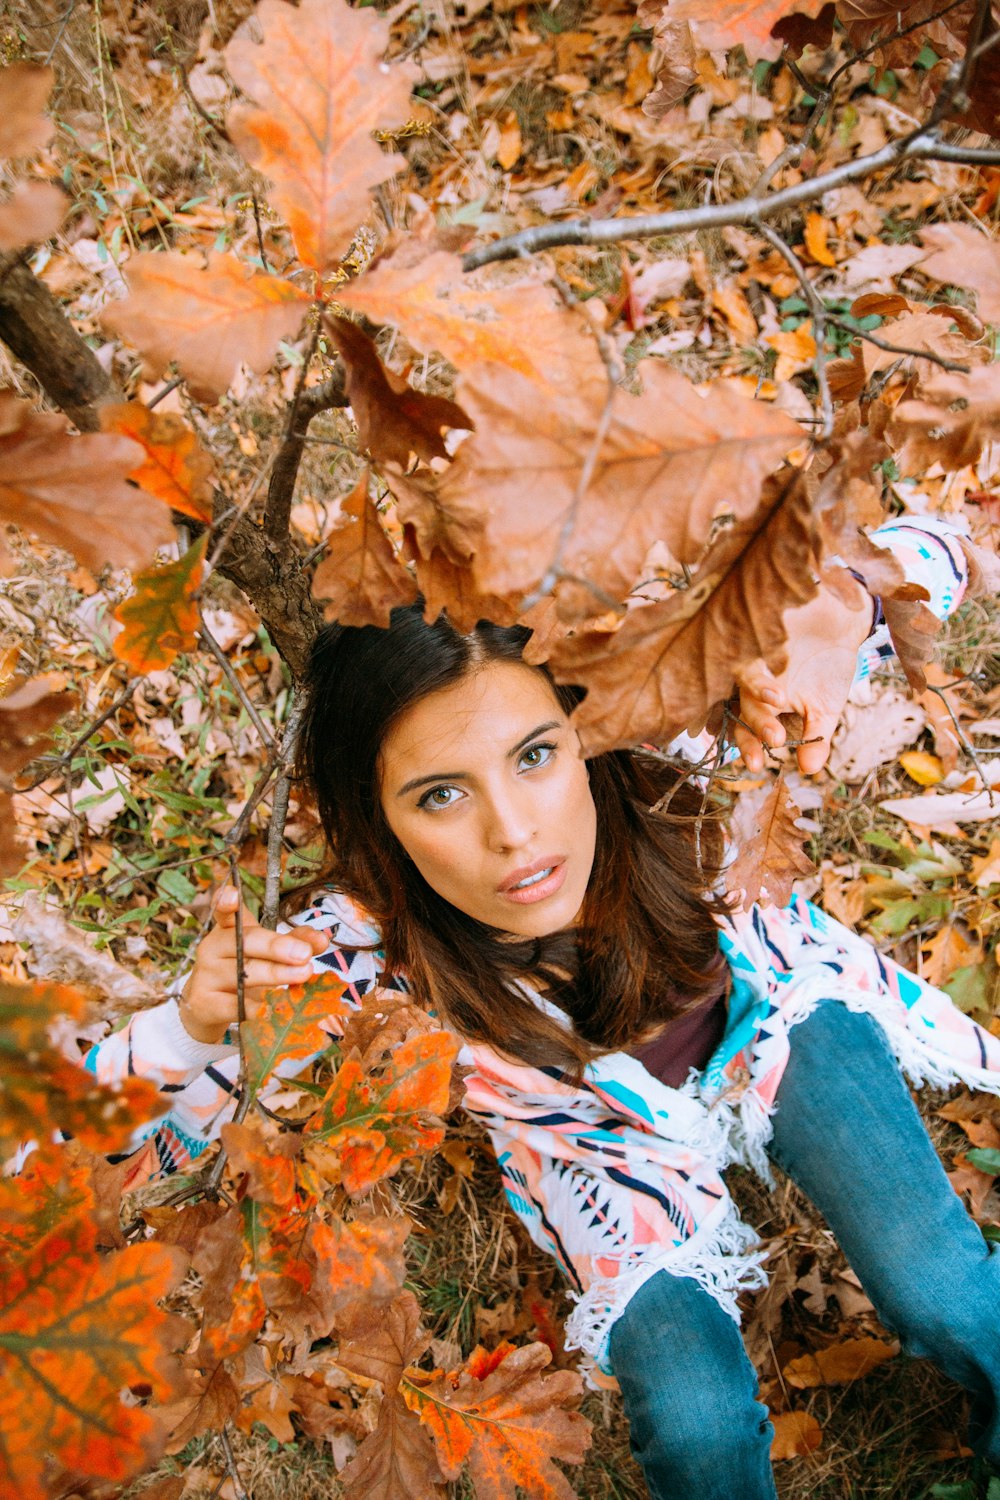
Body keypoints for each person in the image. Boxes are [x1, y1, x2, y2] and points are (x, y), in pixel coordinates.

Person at [87, 515, 1000, 1499]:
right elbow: (92, 1167)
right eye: (440, 795)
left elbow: (947, 546)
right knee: (695, 1434)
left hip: (777, 1019)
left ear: (584, 728)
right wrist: (188, 1032)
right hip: (597, 1150)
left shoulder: (679, 742)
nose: (515, 834)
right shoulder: (355, 946)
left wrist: (845, 601)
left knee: (944, 1294)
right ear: (378, 820)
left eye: (534, 757)